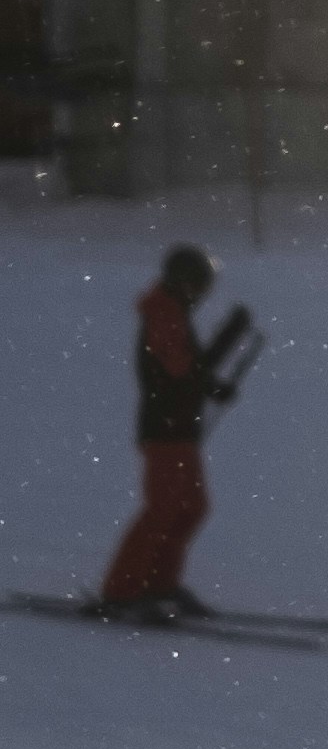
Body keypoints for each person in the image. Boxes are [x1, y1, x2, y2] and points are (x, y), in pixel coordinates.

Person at [96, 240, 257, 620]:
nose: (204, 293)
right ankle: (121, 592)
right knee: (164, 508)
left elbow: (189, 372)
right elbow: (183, 371)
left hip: (181, 428)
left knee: (191, 507)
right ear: (184, 281)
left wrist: (214, 386)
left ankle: (158, 584)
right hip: (165, 429)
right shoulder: (162, 314)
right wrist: (227, 342)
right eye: (201, 284)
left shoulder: (173, 311)